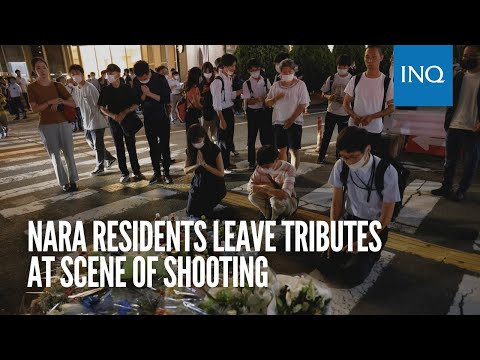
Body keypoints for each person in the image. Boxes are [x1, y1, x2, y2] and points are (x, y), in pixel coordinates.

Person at [322, 126, 400, 287]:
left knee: (353, 275)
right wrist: (331, 234)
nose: (349, 161)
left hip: (374, 227)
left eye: (353, 157)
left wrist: (364, 240)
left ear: (367, 149)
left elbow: (385, 218)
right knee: (326, 259)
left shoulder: (387, 171)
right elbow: (336, 203)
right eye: (344, 157)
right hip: (350, 221)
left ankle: (371, 253)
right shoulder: (340, 166)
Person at [431, 45, 480, 202]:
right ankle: (446, 186)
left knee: (469, 162)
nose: (466, 59)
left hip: (473, 128)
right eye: (465, 55)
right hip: (455, 124)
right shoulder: (459, 76)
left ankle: (461, 190)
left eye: (470, 56)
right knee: (449, 160)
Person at [27, 57, 79, 192]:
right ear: (34, 71)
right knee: (55, 155)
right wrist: (50, 102)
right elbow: (34, 109)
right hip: (46, 126)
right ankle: (63, 182)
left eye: (44, 67)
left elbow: (73, 103)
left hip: (63, 123)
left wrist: (60, 101)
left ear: (47, 68)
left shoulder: (58, 85)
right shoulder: (31, 87)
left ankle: (73, 180)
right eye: (38, 68)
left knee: (69, 153)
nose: (42, 70)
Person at [98, 63, 145, 184]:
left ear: (118, 74)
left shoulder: (127, 88)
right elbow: (102, 107)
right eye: (108, 74)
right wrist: (113, 115)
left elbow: (136, 103)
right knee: (119, 147)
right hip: (114, 122)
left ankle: (136, 171)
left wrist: (125, 112)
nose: (109, 76)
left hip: (127, 121)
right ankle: (124, 172)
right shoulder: (105, 90)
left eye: (112, 73)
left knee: (131, 146)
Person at [343, 45, 394, 154]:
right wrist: (353, 115)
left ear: (381, 57)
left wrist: (372, 117)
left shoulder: (387, 82)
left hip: (374, 130)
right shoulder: (355, 79)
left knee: (370, 161)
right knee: (352, 158)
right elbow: (346, 103)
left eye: (374, 57)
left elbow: (391, 107)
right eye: (367, 57)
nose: (369, 60)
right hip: (354, 128)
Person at [69, 64, 116, 176]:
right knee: (92, 143)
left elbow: (100, 105)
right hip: (86, 122)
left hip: (96, 121)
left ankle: (99, 167)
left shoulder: (90, 88)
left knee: (97, 145)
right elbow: (76, 103)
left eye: (77, 73)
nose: (75, 76)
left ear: (82, 74)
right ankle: (109, 158)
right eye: (73, 74)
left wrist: (104, 118)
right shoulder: (77, 89)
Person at [132, 60, 173, 184]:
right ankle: (157, 173)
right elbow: (138, 100)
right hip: (148, 118)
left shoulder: (159, 78)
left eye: (143, 77)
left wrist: (149, 93)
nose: (141, 79)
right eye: (139, 78)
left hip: (162, 116)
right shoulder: (136, 81)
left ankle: (167, 173)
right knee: (153, 147)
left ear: (148, 72)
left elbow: (166, 98)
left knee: (164, 145)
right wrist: (144, 95)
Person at [265, 58, 310, 170]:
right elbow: (267, 103)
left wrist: (291, 120)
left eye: (289, 72)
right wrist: (275, 98)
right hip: (278, 121)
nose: (287, 74)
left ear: (294, 72)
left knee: (294, 150)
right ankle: (283, 173)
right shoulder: (275, 85)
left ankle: (293, 173)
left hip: (295, 121)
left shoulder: (300, 85)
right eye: (284, 72)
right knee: (281, 149)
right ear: (280, 73)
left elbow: (303, 104)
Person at [184, 124, 226, 219]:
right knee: (190, 212)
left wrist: (204, 165)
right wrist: (197, 165)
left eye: (199, 140)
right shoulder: (191, 150)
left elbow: (221, 173)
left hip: (214, 184)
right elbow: (185, 170)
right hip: (198, 184)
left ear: (204, 136)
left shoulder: (214, 149)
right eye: (194, 142)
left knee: (204, 213)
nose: (197, 143)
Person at [317, 54, 353, 164]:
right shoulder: (332, 78)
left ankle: (339, 157)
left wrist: (345, 101)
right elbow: (323, 93)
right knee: (327, 135)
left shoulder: (352, 79)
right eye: (339, 66)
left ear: (348, 66)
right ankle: (321, 156)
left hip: (344, 113)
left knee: (342, 138)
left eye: (344, 67)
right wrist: (329, 97)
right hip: (331, 111)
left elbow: (355, 97)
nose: (341, 69)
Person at [247, 145, 297, 221]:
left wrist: (266, 189)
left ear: (276, 160)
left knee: (275, 201)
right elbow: (249, 186)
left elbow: (284, 195)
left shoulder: (289, 169)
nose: (264, 169)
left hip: (288, 201)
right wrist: (259, 187)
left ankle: (277, 219)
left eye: (267, 167)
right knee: (252, 197)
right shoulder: (260, 168)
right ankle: (269, 215)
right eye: (262, 167)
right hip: (269, 198)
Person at [210, 53, 243, 171]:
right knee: (222, 140)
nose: (234, 68)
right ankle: (222, 165)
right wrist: (221, 119)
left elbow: (228, 96)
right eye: (231, 66)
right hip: (221, 112)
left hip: (228, 110)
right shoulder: (217, 82)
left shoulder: (228, 79)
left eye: (234, 66)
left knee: (229, 138)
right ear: (224, 66)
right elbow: (217, 103)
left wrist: (240, 91)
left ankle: (227, 162)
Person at [243, 58, 273, 170]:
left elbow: (271, 93)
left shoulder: (265, 80)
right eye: (252, 70)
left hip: (264, 112)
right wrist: (259, 99)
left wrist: (266, 98)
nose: (255, 71)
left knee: (265, 138)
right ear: (249, 71)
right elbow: (248, 101)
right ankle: (251, 161)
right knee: (251, 138)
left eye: (257, 69)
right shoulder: (246, 84)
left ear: (260, 69)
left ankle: (266, 159)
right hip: (253, 112)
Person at [199, 61, 217, 142]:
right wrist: (203, 92)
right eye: (205, 72)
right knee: (204, 132)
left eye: (209, 71)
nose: (207, 73)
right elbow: (198, 97)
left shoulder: (216, 82)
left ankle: (215, 149)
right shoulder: (201, 84)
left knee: (214, 133)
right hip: (205, 110)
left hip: (215, 109)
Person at [183, 67, 203, 132]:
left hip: (188, 113)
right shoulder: (195, 89)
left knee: (190, 135)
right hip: (194, 115)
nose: (201, 78)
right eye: (200, 75)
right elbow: (197, 105)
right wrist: (205, 107)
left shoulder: (188, 86)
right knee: (196, 135)